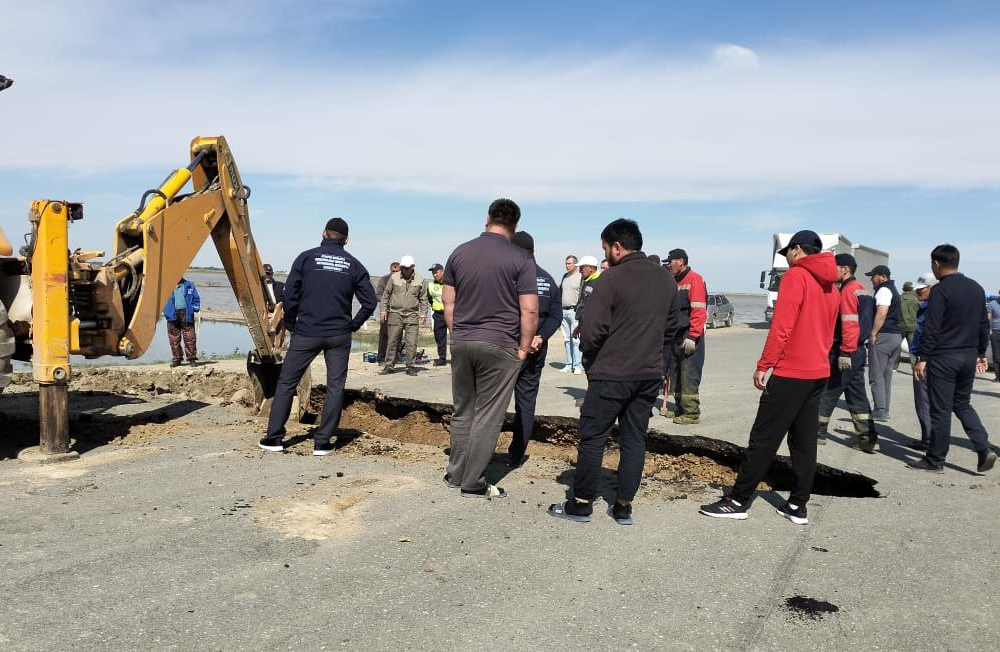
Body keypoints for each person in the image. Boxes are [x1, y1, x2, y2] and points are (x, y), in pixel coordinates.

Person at [700, 230, 838, 525]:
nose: (787, 257)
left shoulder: (796, 277)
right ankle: (798, 504)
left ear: (799, 250)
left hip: (792, 372)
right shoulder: (832, 284)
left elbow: (782, 327)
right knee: (803, 442)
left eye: (788, 252)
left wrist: (765, 364)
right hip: (818, 372)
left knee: (763, 439)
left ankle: (737, 500)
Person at [548, 219, 679, 525]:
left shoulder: (611, 279)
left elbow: (592, 330)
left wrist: (590, 360)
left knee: (593, 438)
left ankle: (581, 504)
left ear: (617, 247)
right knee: (635, 439)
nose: (605, 254)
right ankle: (622, 506)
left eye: (606, 248)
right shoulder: (665, 280)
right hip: (648, 375)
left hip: (611, 374)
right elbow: (672, 327)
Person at [442, 198, 538, 498]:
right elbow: (530, 310)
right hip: (500, 343)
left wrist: (457, 333)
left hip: (463, 340)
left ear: (487, 219)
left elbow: (448, 301)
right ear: (515, 225)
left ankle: (454, 474)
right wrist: (523, 349)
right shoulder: (521, 259)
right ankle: (473, 482)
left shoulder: (460, 252)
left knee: (463, 410)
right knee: (488, 414)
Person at [258, 218, 377, 456]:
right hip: (338, 335)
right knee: (335, 386)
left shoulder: (306, 258)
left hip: (306, 332)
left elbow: (290, 294)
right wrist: (352, 325)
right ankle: (323, 442)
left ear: (324, 233)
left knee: (287, 383)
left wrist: (292, 323)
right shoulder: (354, 265)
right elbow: (370, 302)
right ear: (346, 240)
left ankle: (274, 439)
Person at [908, 244, 996, 473]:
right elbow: (983, 324)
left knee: (940, 410)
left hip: (943, 357)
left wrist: (923, 357)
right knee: (962, 404)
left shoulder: (940, 290)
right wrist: (980, 353)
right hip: (967, 356)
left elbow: (932, 326)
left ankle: (935, 460)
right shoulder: (976, 288)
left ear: (936, 264)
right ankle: (984, 448)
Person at [507, 232, 562, 468]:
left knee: (494, 401)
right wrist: (540, 336)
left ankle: (481, 453)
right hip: (536, 349)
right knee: (526, 403)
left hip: (509, 347)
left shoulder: (511, 277)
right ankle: (517, 455)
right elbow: (556, 316)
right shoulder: (549, 280)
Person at [816, 254, 877, 452]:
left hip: (847, 350)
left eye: (834, 267)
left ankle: (816, 433)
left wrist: (845, 352)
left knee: (828, 391)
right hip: (858, 351)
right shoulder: (862, 289)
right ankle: (867, 440)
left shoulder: (848, 290)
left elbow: (850, 324)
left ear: (845, 269)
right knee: (857, 396)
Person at [664, 248, 708, 425]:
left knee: (688, 372)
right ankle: (680, 408)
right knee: (675, 372)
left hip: (689, 335)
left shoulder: (694, 279)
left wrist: (693, 336)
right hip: (676, 334)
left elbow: (699, 310)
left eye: (671, 261)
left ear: (680, 261)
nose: (668, 264)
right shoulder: (673, 281)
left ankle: (691, 413)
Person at [380, 255, 428, 376]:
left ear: (413, 267)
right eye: (403, 267)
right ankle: (389, 365)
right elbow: (386, 295)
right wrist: (383, 310)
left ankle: (410, 366)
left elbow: (423, 299)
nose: (405, 270)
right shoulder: (394, 277)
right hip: (395, 314)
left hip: (412, 315)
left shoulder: (420, 279)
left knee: (411, 342)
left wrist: (423, 314)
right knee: (393, 340)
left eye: (408, 267)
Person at [866, 265, 903, 421]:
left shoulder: (883, 290)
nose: (871, 279)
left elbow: (881, 312)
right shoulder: (893, 290)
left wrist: (873, 333)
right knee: (886, 375)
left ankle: (880, 411)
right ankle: (884, 409)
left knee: (876, 375)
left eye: (873, 276)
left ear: (882, 277)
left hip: (884, 335)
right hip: (895, 336)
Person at [907, 273, 937, 450]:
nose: (918, 292)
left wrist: (922, 359)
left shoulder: (932, 309)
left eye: (921, 289)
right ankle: (927, 437)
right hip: (927, 358)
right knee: (924, 401)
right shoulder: (926, 305)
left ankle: (929, 440)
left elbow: (929, 336)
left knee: (924, 400)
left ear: (931, 288)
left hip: (927, 361)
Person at [163, 277, 201, 367]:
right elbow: (159, 299)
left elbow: (196, 298)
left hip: (186, 313)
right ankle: (177, 359)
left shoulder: (189, 285)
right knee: (174, 338)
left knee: (190, 337)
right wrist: (165, 310)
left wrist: (194, 308)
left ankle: (192, 359)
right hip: (172, 314)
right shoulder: (166, 285)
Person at [558, 256, 583, 373]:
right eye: (566, 263)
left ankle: (577, 366)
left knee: (576, 340)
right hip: (564, 311)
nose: (567, 266)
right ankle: (569, 364)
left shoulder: (580, 277)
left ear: (575, 264)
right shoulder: (565, 277)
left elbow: (583, 295)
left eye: (569, 263)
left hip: (574, 311)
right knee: (567, 339)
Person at [374, 262, 400, 364]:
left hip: (399, 311)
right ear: (390, 270)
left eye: (397, 271)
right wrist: (387, 302)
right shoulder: (383, 279)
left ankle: (394, 357)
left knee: (397, 335)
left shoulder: (404, 280)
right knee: (384, 335)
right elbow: (378, 294)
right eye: (393, 271)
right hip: (386, 310)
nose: (395, 273)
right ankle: (381, 358)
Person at [427, 264, 448, 366]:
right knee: (439, 337)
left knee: (456, 337)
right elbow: (430, 299)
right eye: (433, 273)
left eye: (436, 272)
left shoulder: (451, 283)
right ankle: (442, 358)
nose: (434, 274)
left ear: (443, 271)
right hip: (438, 314)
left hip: (451, 313)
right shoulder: (430, 285)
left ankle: (458, 358)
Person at [899, 281, 919, 370]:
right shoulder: (917, 300)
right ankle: (914, 366)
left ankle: (894, 366)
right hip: (913, 326)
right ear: (912, 289)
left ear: (904, 289)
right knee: (912, 348)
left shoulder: (899, 298)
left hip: (900, 326)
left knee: (896, 347)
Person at [987, 288, 1000, 382]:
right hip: (995, 332)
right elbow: (988, 318)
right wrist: (989, 329)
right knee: (996, 355)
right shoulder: (992, 304)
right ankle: (998, 376)